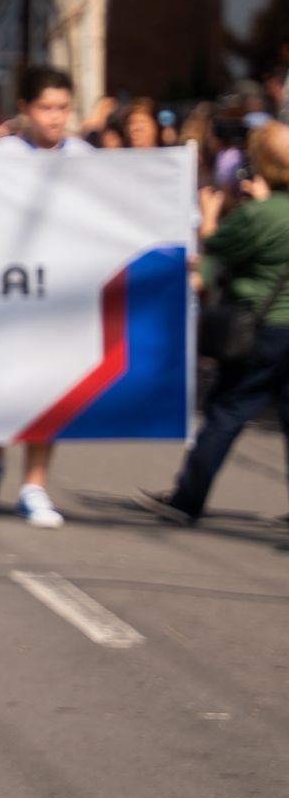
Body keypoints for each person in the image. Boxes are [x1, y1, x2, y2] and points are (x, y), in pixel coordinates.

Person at [137, 121, 289, 525]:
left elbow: (216, 244)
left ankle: (187, 499)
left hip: (262, 328)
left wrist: (209, 214)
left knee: (226, 411)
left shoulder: (258, 216)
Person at [0, 66, 90, 528]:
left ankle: (34, 485)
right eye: (45, 108)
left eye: (62, 108)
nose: (55, 118)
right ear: (26, 110)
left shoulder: (85, 159)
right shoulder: (5, 155)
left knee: (44, 390)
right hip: (4, 296)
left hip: (57, 299)